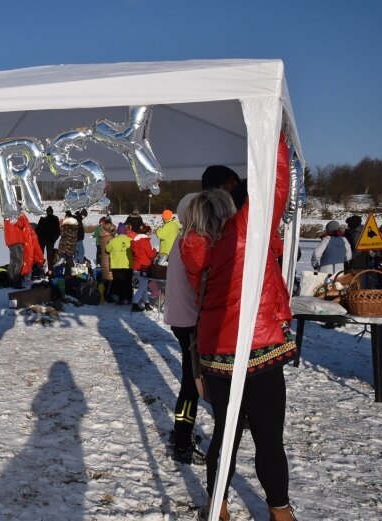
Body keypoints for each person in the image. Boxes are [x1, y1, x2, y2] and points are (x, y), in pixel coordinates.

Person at [181, 152, 298, 520]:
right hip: (256, 348)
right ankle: (279, 509)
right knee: (268, 438)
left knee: (224, 434)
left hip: (216, 354)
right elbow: (274, 189)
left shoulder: (190, 248)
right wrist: (276, 137)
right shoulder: (243, 232)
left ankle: (218, 507)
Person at [163, 192, 204, 465]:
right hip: (190, 321)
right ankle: (181, 441)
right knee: (192, 384)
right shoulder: (193, 241)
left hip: (181, 318)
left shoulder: (183, 238)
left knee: (190, 381)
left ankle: (181, 432)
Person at [131, 225, 157, 312]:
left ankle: (146, 303)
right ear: (146, 232)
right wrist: (154, 250)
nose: (150, 234)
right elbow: (151, 255)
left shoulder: (135, 241)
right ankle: (135, 303)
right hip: (143, 267)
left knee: (144, 286)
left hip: (136, 266)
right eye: (150, 232)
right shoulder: (145, 241)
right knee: (143, 286)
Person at [106, 224, 133, 305]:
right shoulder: (131, 240)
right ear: (125, 231)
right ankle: (129, 298)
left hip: (116, 265)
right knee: (128, 282)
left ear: (118, 231)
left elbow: (107, 249)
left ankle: (121, 299)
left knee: (119, 283)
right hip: (128, 265)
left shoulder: (113, 240)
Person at [4, 212, 28, 288]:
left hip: (10, 242)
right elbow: (21, 224)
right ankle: (16, 283)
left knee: (12, 262)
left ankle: (9, 282)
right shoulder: (14, 216)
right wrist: (21, 217)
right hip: (16, 241)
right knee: (19, 263)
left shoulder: (6, 215)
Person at [36, 206, 61, 272]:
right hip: (50, 240)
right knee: (50, 256)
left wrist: (39, 237)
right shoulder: (55, 218)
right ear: (52, 212)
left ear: (46, 212)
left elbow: (37, 229)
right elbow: (58, 231)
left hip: (42, 239)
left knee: (40, 254)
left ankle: (39, 269)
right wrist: (54, 239)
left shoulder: (42, 218)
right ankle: (50, 271)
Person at [98, 219, 116, 302]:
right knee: (109, 278)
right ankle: (106, 295)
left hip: (103, 258)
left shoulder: (102, 235)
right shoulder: (109, 237)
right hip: (108, 259)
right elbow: (111, 248)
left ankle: (102, 293)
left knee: (105, 277)